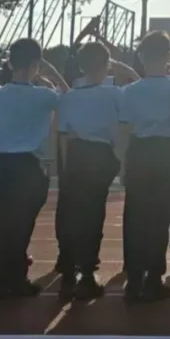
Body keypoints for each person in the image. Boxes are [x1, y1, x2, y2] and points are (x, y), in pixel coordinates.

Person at [0, 38, 68, 299]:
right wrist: (53, 75)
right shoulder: (44, 95)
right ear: (36, 64)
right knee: (22, 225)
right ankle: (16, 279)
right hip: (29, 165)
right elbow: (71, 98)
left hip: (2, 162)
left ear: (10, 63)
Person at [56, 41, 139, 300]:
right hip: (101, 155)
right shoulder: (116, 94)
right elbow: (124, 128)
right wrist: (121, 161)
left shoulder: (69, 96)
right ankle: (87, 274)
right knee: (93, 215)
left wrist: (64, 166)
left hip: (76, 154)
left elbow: (63, 135)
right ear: (106, 64)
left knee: (69, 214)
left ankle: (67, 271)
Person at [119, 30, 170, 302]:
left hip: (139, 152)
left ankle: (134, 278)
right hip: (168, 153)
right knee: (160, 219)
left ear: (141, 56)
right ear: (168, 56)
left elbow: (124, 131)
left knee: (135, 218)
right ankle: (153, 277)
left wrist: (123, 164)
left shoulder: (128, 92)